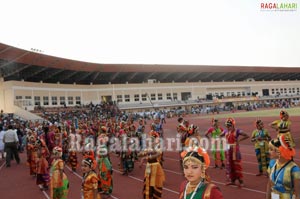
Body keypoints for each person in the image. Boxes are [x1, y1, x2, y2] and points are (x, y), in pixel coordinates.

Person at [221, 117, 249, 187]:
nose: (228, 127)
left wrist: (239, 141)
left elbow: (247, 135)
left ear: (233, 125)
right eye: (227, 125)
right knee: (229, 165)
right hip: (228, 150)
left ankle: (241, 181)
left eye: (229, 125)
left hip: (234, 150)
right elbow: (219, 136)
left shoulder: (237, 131)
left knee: (237, 165)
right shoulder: (225, 131)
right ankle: (232, 180)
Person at [138, 132, 165, 199]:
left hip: (156, 167)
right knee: (148, 184)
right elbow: (139, 154)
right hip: (149, 167)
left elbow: (157, 155)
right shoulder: (149, 148)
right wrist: (143, 153)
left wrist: (146, 157)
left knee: (155, 185)